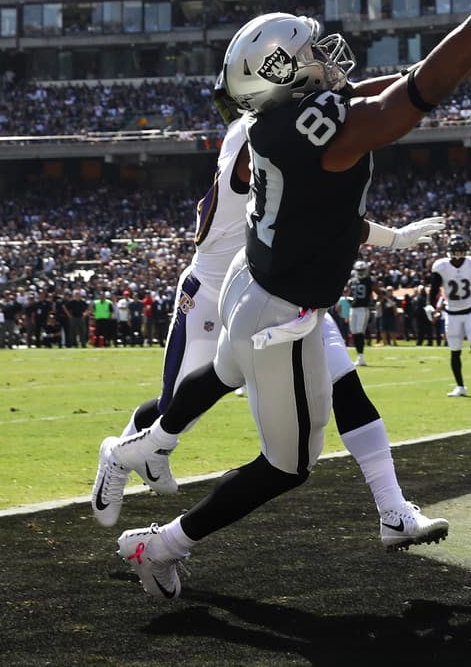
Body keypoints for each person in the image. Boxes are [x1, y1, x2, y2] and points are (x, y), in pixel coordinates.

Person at [108, 0, 471, 599]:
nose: (329, 57)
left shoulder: (285, 119)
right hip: (281, 309)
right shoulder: (304, 126)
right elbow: (409, 99)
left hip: (251, 284)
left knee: (227, 370)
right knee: (289, 463)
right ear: (283, 72)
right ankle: (158, 544)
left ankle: (150, 439)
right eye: (313, 52)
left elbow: (396, 89)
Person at [91, 93, 450, 538]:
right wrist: (393, 236)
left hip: (278, 291)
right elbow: (320, 210)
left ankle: (393, 510)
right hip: (219, 288)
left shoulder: (272, 127)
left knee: (346, 387)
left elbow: (324, 213)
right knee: (176, 406)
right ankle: (122, 452)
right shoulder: (261, 133)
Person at [431, 234, 471, 397]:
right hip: (451, 313)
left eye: (460, 251)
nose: (458, 256)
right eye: (455, 251)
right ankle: (460, 386)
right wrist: (430, 305)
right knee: (455, 350)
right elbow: (434, 288)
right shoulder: (441, 266)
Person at [345, 261, 376, 364]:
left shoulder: (369, 281)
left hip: (363, 308)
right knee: (354, 332)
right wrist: (348, 298)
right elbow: (347, 293)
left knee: (359, 332)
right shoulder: (352, 281)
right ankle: (359, 356)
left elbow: (378, 292)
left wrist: (373, 302)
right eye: (359, 270)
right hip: (353, 308)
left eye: (362, 270)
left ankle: (361, 357)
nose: (361, 272)